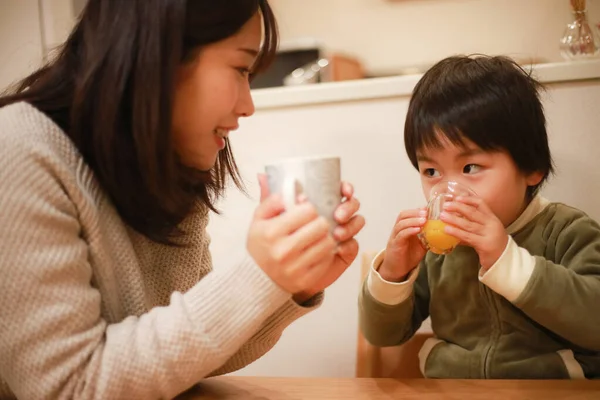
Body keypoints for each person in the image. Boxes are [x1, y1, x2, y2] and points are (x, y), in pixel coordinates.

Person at [0, 1, 365, 398]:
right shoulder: (19, 151)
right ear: (160, 56)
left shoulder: (166, 172)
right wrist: (259, 275)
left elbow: (186, 356)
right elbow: (70, 387)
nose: (248, 106)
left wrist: (288, 286)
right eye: (241, 69)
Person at [358, 55, 600, 379]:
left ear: (531, 167)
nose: (448, 190)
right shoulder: (438, 253)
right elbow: (382, 336)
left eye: (470, 168)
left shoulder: (567, 232)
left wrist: (505, 258)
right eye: (431, 171)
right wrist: (394, 273)